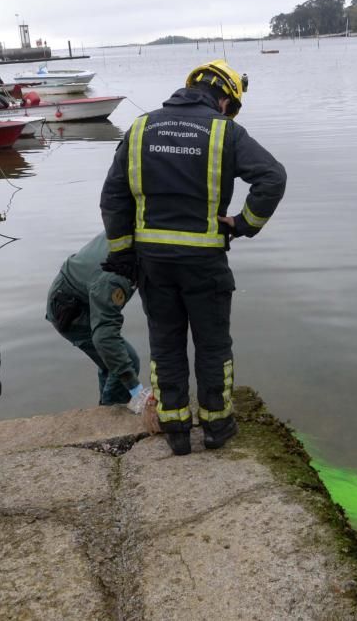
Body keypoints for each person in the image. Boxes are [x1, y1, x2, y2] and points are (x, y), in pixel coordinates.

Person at [100, 59, 286, 456]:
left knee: (165, 344)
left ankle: (176, 430)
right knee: (213, 344)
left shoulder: (140, 128)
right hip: (204, 261)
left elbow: (113, 198)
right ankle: (217, 427)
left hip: (153, 262)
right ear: (224, 99)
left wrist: (122, 254)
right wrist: (241, 224)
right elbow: (273, 177)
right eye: (231, 107)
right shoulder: (225, 133)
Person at [46, 232, 144, 405]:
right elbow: (105, 338)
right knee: (127, 360)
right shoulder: (116, 276)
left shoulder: (129, 226)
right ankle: (112, 416)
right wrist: (135, 388)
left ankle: (104, 408)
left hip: (80, 291)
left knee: (111, 362)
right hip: (70, 310)